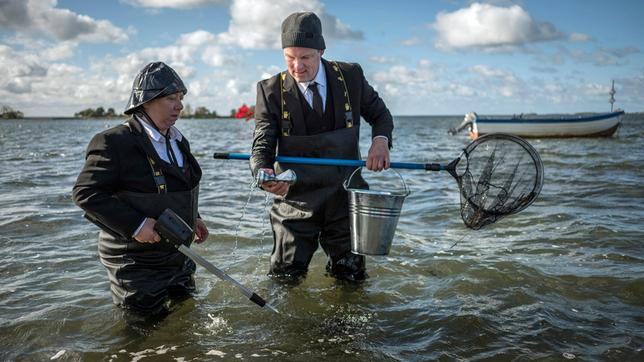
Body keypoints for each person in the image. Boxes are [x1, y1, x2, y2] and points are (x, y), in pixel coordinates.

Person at [250, 12, 394, 282]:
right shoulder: (269, 90)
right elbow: (262, 143)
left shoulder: (351, 76)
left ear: (322, 51)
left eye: (305, 58)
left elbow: (381, 116)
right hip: (294, 202)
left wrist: (380, 141)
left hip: (346, 199)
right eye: (289, 58)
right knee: (284, 280)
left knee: (351, 279)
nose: (297, 67)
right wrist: (263, 174)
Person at [73, 61, 209, 315]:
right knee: (145, 332)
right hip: (135, 263)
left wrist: (194, 217)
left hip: (179, 255)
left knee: (187, 317)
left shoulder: (178, 140)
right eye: (170, 98)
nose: (179, 105)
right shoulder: (113, 141)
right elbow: (86, 194)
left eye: (180, 97)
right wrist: (136, 225)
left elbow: (177, 185)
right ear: (145, 102)